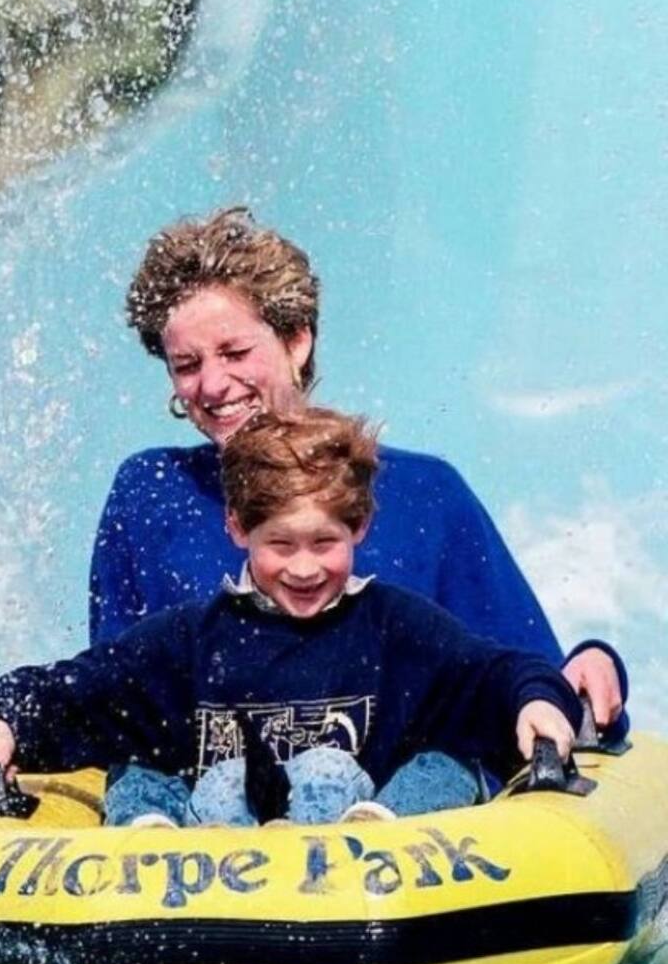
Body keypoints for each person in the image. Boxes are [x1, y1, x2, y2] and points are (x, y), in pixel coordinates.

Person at [88, 208, 624, 733]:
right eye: (186, 365)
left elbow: (528, 681)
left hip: (395, 791)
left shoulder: (425, 495)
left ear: (297, 340)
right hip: (205, 789)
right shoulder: (150, 491)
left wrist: (592, 665)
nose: (211, 385)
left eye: (235, 352)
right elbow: (109, 698)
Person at [0, 408, 623, 828]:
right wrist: (2, 718)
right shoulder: (191, 639)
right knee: (140, 772)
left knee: (446, 765)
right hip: (213, 857)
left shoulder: (395, 628)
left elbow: (490, 671)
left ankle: (377, 828)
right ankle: (147, 842)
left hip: (375, 865)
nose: (304, 568)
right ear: (237, 529)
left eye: (324, 543)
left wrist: (537, 698)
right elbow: (79, 688)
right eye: (279, 545)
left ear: (359, 528)